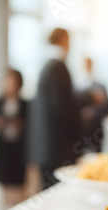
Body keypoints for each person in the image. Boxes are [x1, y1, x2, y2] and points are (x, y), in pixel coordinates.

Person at [27, 28, 81, 190]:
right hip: (57, 147)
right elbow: (62, 107)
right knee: (57, 195)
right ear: (63, 40)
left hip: (46, 146)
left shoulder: (46, 66)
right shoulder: (58, 67)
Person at [0, 69, 28, 207]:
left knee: (18, 178)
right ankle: (5, 206)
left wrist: (18, 123)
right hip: (4, 144)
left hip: (18, 145)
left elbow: (28, 122)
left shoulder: (24, 103)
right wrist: (0, 121)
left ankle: (19, 205)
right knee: (4, 177)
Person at [78, 57, 108, 152]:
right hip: (81, 130)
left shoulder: (100, 85)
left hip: (96, 128)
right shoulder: (77, 85)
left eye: (88, 64)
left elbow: (107, 105)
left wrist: (93, 113)